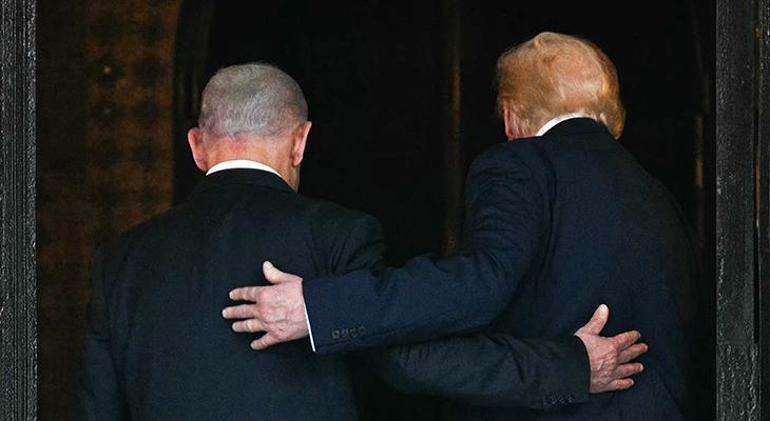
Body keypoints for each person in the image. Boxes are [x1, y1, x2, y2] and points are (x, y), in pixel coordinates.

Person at [79, 62, 645, 420]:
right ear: (301, 142)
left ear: (197, 146)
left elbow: (98, 408)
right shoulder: (336, 234)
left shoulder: (119, 261)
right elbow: (414, 363)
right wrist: (567, 367)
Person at [224, 32, 696, 420]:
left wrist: (320, 309)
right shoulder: (657, 193)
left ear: (510, 115)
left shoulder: (520, 166)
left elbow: (479, 286)